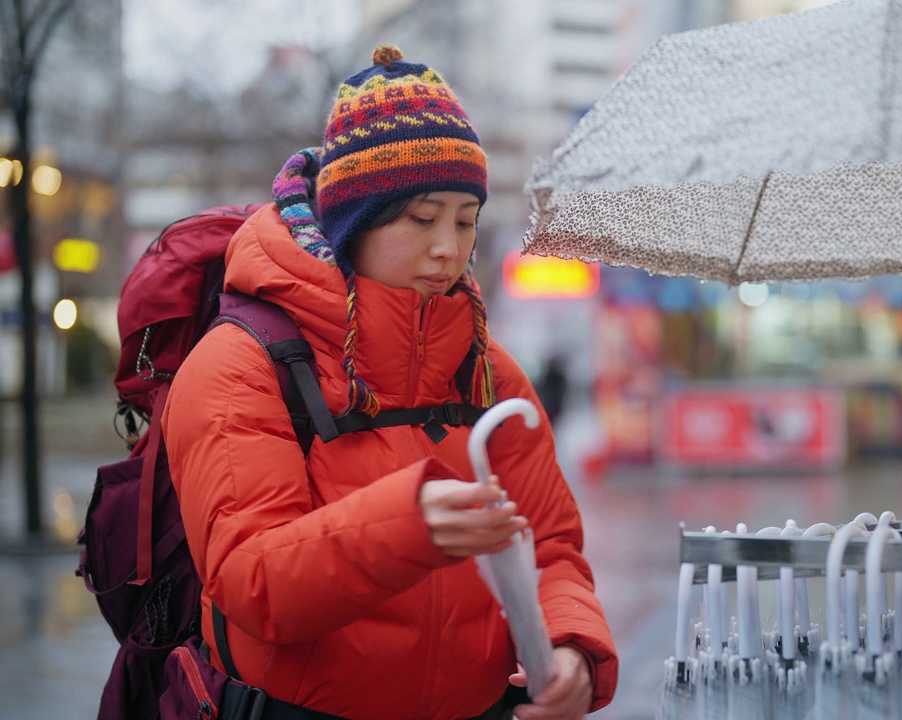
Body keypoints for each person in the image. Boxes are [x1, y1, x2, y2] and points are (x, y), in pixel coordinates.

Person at [162, 45, 617, 720]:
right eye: (422, 218)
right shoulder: (240, 364)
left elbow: (550, 549)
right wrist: (407, 523)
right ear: (353, 224)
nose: (449, 249)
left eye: (466, 221)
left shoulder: (491, 371)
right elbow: (249, 578)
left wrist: (573, 647)